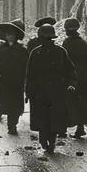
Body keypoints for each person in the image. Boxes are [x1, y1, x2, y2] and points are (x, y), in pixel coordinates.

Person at [25, 23, 76, 154]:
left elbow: (70, 70)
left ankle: (52, 141)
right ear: (40, 38)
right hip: (40, 91)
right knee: (43, 118)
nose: (48, 41)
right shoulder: (35, 53)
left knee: (54, 118)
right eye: (45, 38)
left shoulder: (60, 52)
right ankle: (43, 140)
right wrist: (28, 91)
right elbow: (30, 74)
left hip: (56, 90)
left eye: (50, 39)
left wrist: (71, 84)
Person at [61, 17, 87, 138]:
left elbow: (62, 62)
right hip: (83, 79)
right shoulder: (85, 44)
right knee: (82, 102)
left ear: (67, 31)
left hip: (70, 79)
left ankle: (64, 128)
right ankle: (80, 127)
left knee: (68, 101)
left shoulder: (66, 44)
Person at [0, 21, 28, 134]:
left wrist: (25, 79)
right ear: (5, 36)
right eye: (8, 35)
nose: (10, 37)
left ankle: (12, 125)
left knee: (16, 103)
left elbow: (26, 65)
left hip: (18, 80)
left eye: (12, 34)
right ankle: (1, 115)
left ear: (16, 36)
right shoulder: (0, 48)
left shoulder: (22, 50)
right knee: (4, 100)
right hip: (4, 80)